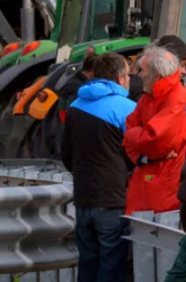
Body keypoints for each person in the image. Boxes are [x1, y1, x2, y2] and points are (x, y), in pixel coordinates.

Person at [62, 53, 137, 282]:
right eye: (128, 75)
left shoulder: (76, 105)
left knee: (88, 264)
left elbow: (66, 154)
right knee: (111, 265)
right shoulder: (128, 108)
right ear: (120, 77)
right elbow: (136, 154)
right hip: (114, 199)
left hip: (83, 198)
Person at [124, 46, 186, 215]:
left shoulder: (177, 99)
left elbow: (155, 140)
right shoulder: (149, 97)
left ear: (156, 75)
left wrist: (135, 137)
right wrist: (143, 156)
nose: (138, 75)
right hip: (149, 182)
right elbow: (129, 131)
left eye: (142, 70)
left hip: (165, 189)